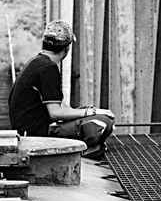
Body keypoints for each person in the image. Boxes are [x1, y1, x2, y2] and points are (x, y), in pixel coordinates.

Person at [8, 19, 115, 159]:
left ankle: (90, 144)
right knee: (104, 121)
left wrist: (88, 111)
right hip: (38, 132)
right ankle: (83, 150)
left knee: (89, 113)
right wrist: (94, 112)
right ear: (67, 48)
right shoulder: (48, 69)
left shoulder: (37, 61)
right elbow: (55, 113)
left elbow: (60, 107)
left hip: (30, 128)